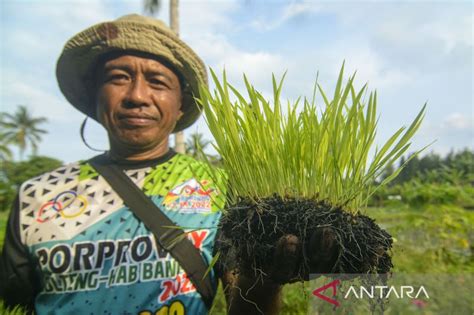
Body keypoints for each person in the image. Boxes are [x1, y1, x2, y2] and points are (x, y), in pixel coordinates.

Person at [0, 14, 337, 314]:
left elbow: (244, 302)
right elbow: (15, 305)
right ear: (94, 94)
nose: (137, 96)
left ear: (180, 105)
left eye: (158, 81)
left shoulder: (220, 188)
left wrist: (263, 282)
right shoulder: (38, 194)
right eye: (118, 77)